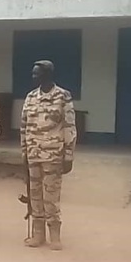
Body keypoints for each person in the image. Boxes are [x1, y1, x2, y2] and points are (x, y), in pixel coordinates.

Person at [20, 60, 77, 250]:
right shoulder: (30, 97)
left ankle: (54, 234)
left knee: (50, 196)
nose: (33, 77)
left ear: (47, 75)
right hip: (33, 153)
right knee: (35, 195)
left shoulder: (62, 96)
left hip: (53, 155)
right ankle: (38, 234)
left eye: (36, 74)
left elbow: (69, 126)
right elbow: (24, 126)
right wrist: (24, 152)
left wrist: (68, 155)